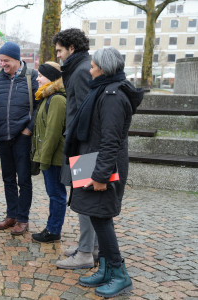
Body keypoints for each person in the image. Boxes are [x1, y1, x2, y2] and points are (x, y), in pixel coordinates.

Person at [65, 47, 142, 298]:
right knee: (95, 215)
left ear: (104, 68)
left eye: (94, 65)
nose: (90, 68)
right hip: (91, 159)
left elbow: (112, 141)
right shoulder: (102, 90)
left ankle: (120, 274)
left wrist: (100, 177)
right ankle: (106, 269)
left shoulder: (112, 96)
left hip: (102, 165)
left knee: (101, 218)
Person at [53, 28, 99, 269]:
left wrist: (76, 142)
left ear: (71, 48)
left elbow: (85, 114)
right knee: (88, 198)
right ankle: (91, 246)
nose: (58, 56)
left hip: (84, 147)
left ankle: (85, 253)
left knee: (84, 200)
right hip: (84, 145)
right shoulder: (82, 68)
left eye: (60, 51)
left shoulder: (81, 71)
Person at [0, 41, 37, 236]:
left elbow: (39, 108)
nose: (2, 64)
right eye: (0, 61)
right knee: (8, 178)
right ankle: (12, 215)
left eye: (6, 60)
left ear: (17, 59)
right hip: (3, 138)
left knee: (23, 179)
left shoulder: (31, 77)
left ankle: (23, 219)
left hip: (23, 137)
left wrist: (28, 130)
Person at [30, 62, 67, 243]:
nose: (37, 78)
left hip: (55, 158)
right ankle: (52, 227)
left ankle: (53, 230)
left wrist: (43, 160)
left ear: (51, 78)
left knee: (56, 194)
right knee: (54, 193)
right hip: (49, 157)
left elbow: (52, 133)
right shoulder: (47, 96)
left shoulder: (57, 99)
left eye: (40, 75)